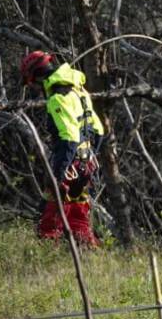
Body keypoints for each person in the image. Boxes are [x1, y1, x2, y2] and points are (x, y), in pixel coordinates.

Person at [20, 50, 106, 247]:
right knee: (78, 219)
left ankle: (45, 262)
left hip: (70, 165)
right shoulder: (78, 90)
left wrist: (58, 176)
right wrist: (90, 157)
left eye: (31, 82)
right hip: (87, 165)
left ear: (37, 76)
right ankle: (89, 258)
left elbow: (69, 139)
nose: (33, 87)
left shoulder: (58, 97)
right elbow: (99, 131)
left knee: (47, 221)